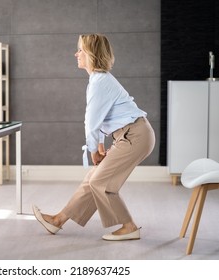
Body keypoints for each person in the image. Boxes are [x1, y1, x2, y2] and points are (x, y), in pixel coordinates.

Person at [32, 34, 155, 241]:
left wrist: (92, 150)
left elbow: (91, 122)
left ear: (91, 54)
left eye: (80, 50)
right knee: (92, 179)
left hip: (135, 135)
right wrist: (98, 146)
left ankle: (129, 227)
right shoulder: (98, 80)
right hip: (130, 134)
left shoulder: (100, 82)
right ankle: (57, 220)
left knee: (100, 181)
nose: (76, 54)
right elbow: (99, 120)